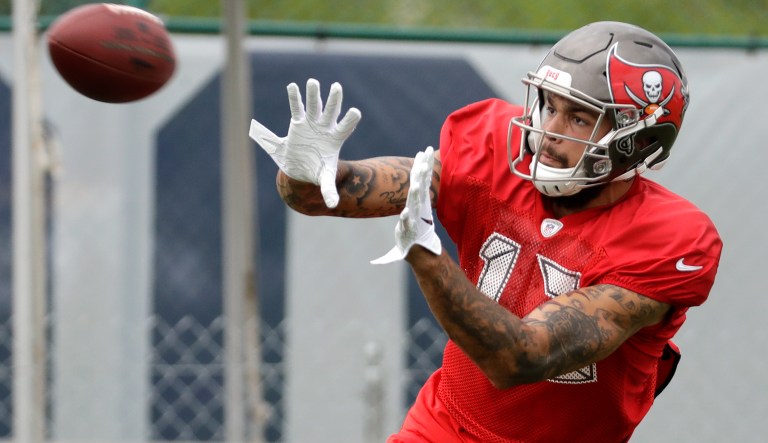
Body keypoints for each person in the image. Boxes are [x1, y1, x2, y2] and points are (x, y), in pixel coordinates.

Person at [249, 21, 722, 443]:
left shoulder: (669, 239)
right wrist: (305, 174)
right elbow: (322, 196)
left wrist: (427, 258)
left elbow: (519, 360)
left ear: (638, 141)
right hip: (444, 425)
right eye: (549, 105)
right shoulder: (492, 147)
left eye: (579, 117)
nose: (549, 131)